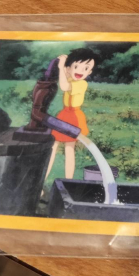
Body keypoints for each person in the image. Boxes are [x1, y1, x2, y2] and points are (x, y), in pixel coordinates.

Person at [45, 48, 100, 182]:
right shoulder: (70, 78)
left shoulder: (82, 84)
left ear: (90, 72)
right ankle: (42, 180)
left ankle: (68, 181)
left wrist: (62, 67)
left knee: (69, 148)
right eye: (76, 67)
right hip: (64, 114)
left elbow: (64, 86)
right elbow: (65, 74)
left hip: (74, 116)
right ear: (70, 69)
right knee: (53, 147)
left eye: (86, 68)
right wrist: (64, 63)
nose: (80, 71)